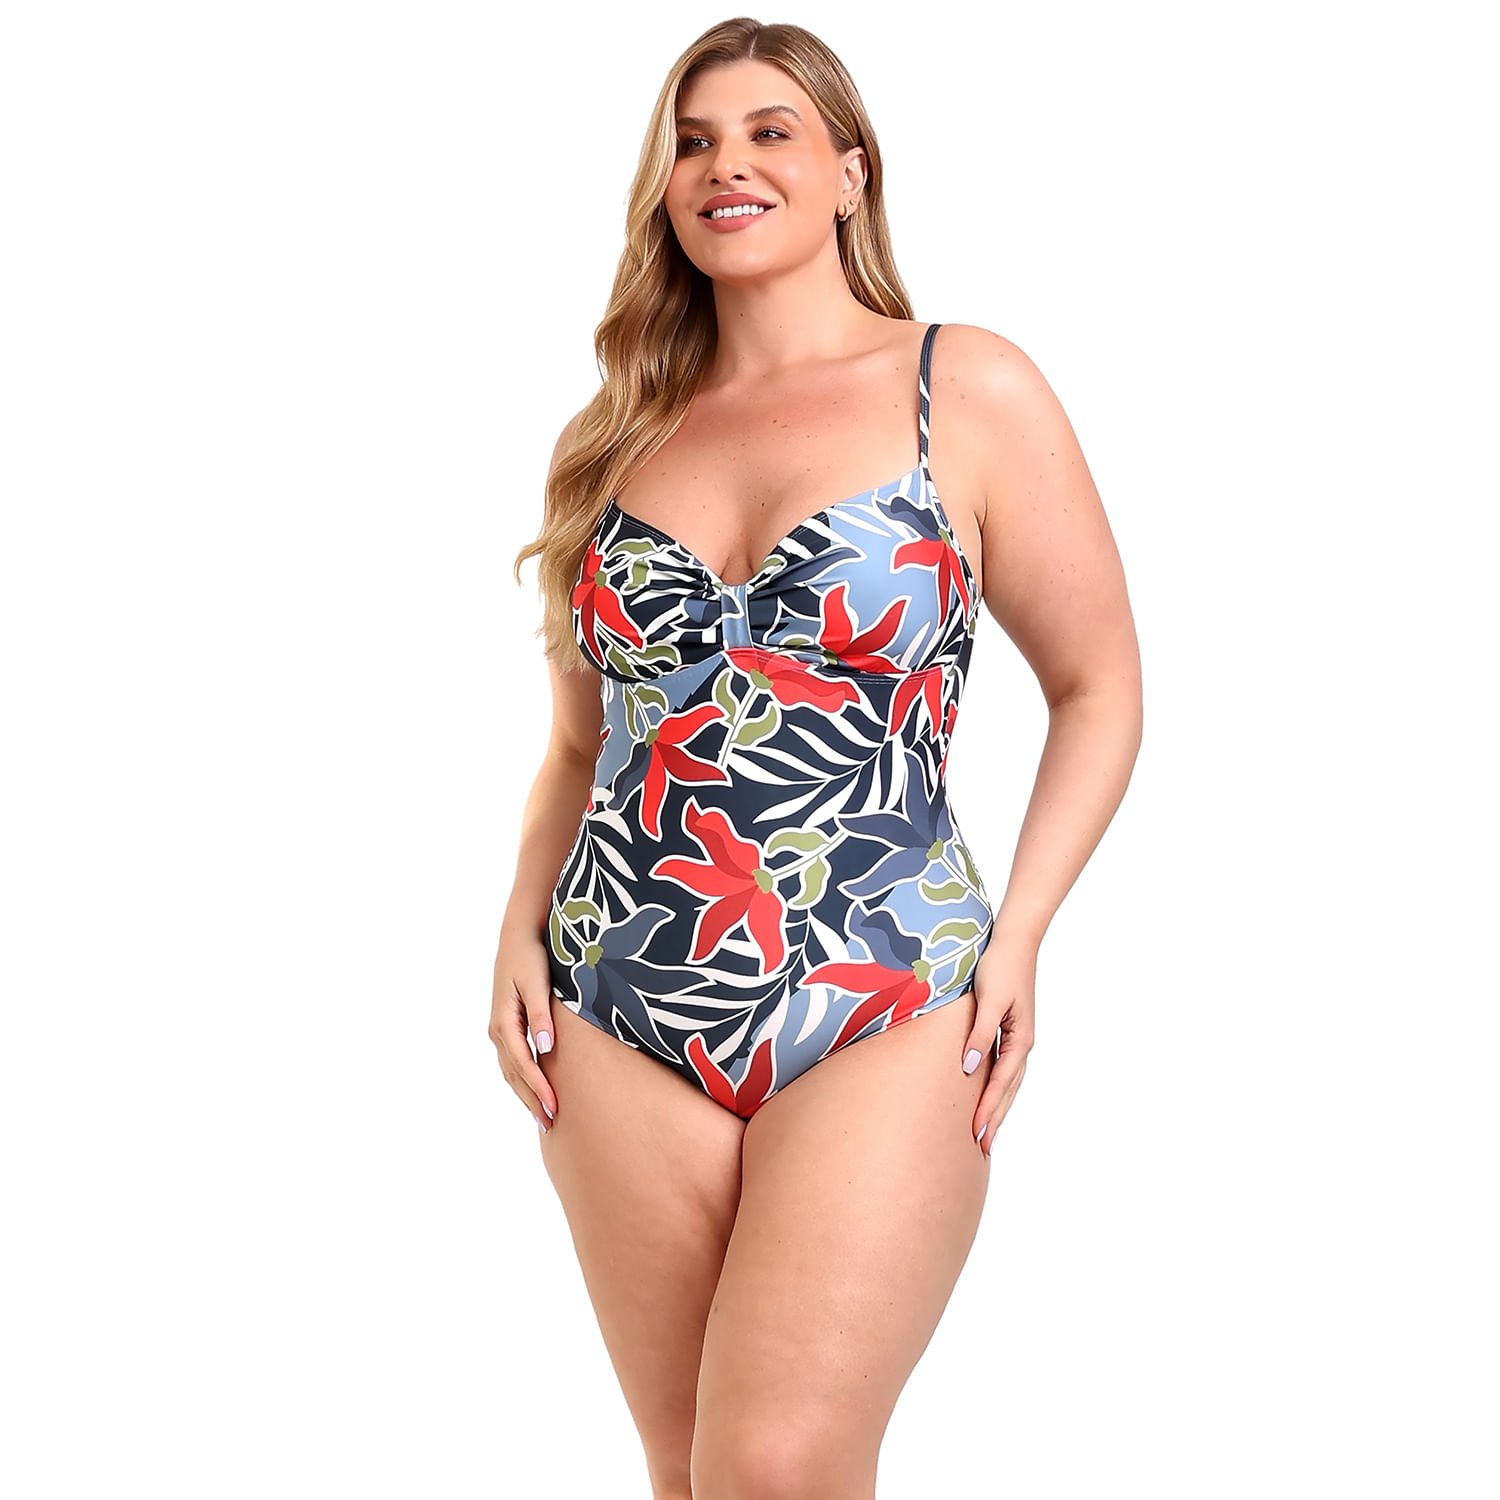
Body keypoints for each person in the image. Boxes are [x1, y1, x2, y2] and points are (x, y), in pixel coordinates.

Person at [492, 18, 1142, 1498]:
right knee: (690, 1469)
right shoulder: (614, 437)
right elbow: (579, 748)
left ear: (852, 173)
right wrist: (513, 935)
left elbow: (1100, 686)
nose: (727, 164)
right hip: (615, 996)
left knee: (779, 1461)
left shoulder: (964, 388)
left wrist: (1023, 936)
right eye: (695, 142)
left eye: (770, 131)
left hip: (889, 983)